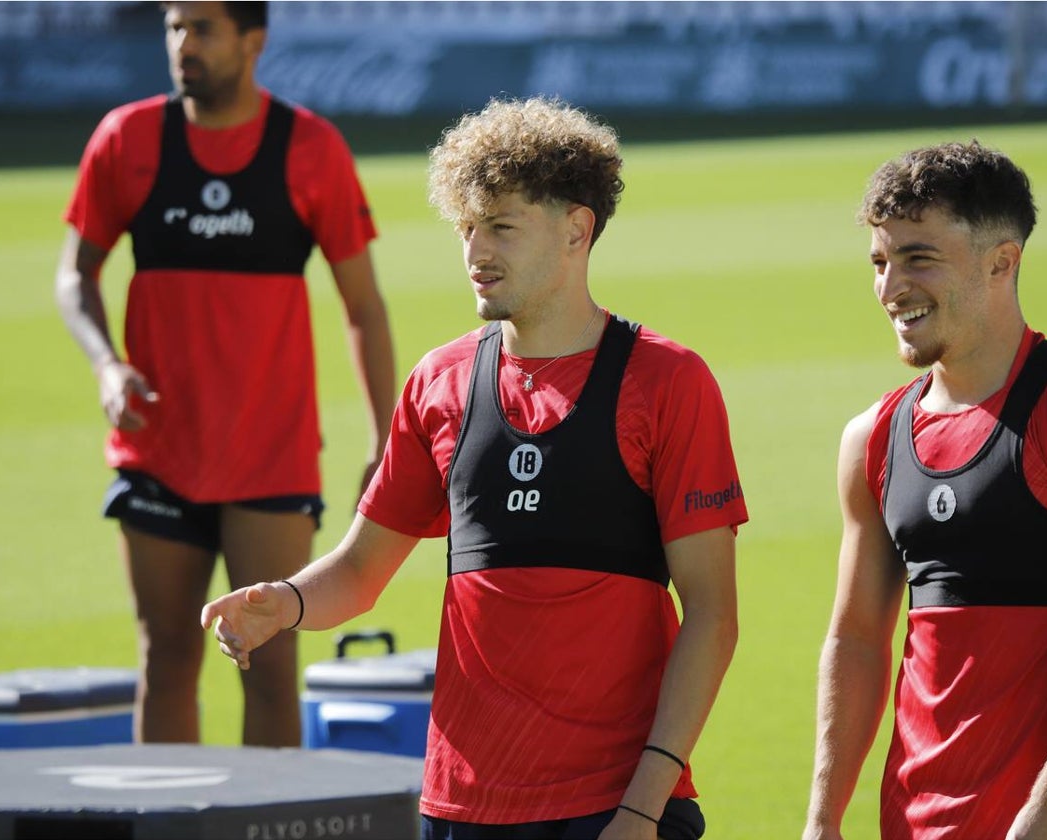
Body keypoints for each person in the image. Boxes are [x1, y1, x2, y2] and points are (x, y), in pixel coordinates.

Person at [202, 96, 746, 839]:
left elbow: (712, 615)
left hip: (615, 804)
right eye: (467, 227)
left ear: (576, 231)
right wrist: (285, 603)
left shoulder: (668, 382)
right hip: (460, 806)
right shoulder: (440, 381)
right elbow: (361, 573)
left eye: (502, 227)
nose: (476, 252)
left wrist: (643, 806)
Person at [54, 0, 395, 747]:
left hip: (272, 458)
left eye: (202, 28)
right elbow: (75, 277)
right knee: (166, 659)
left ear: (253, 40)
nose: (183, 44)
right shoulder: (128, 138)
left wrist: (382, 440)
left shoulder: (310, 148)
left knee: (269, 666)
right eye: (175, 27)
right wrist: (107, 365)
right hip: (158, 454)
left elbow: (364, 305)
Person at [802, 140, 1047, 840]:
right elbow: (857, 639)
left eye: (918, 257)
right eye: (880, 261)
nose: (891, 285)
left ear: (1001, 261)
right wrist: (823, 817)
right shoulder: (874, 437)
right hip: (915, 822)